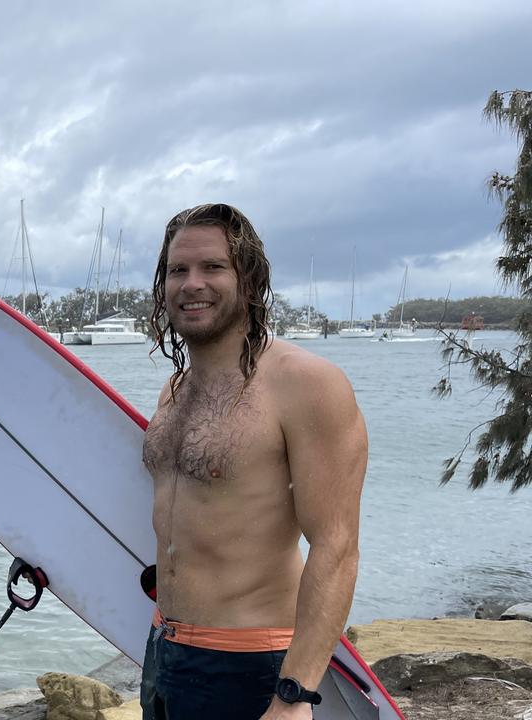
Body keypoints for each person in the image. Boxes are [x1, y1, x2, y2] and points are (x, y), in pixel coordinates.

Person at [139, 204, 367, 720]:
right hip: (164, 650)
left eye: (213, 267)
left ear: (251, 280)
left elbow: (337, 545)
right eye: (178, 270)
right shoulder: (175, 391)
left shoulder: (307, 384)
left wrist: (294, 694)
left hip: (250, 665)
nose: (191, 284)